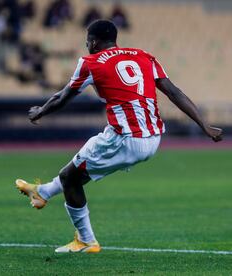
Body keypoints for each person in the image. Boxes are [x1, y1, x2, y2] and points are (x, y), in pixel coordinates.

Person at [15, 19, 222, 253]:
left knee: (70, 178)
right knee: (76, 174)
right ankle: (41, 193)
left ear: (93, 42)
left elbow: (63, 97)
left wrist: (39, 111)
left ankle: (86, 240)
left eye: (87, 42)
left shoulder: (91, 62)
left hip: (125, 138)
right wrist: (204, 125)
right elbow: (174, 92)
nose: (86, 46)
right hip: (153, 138)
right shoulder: (143, 56)